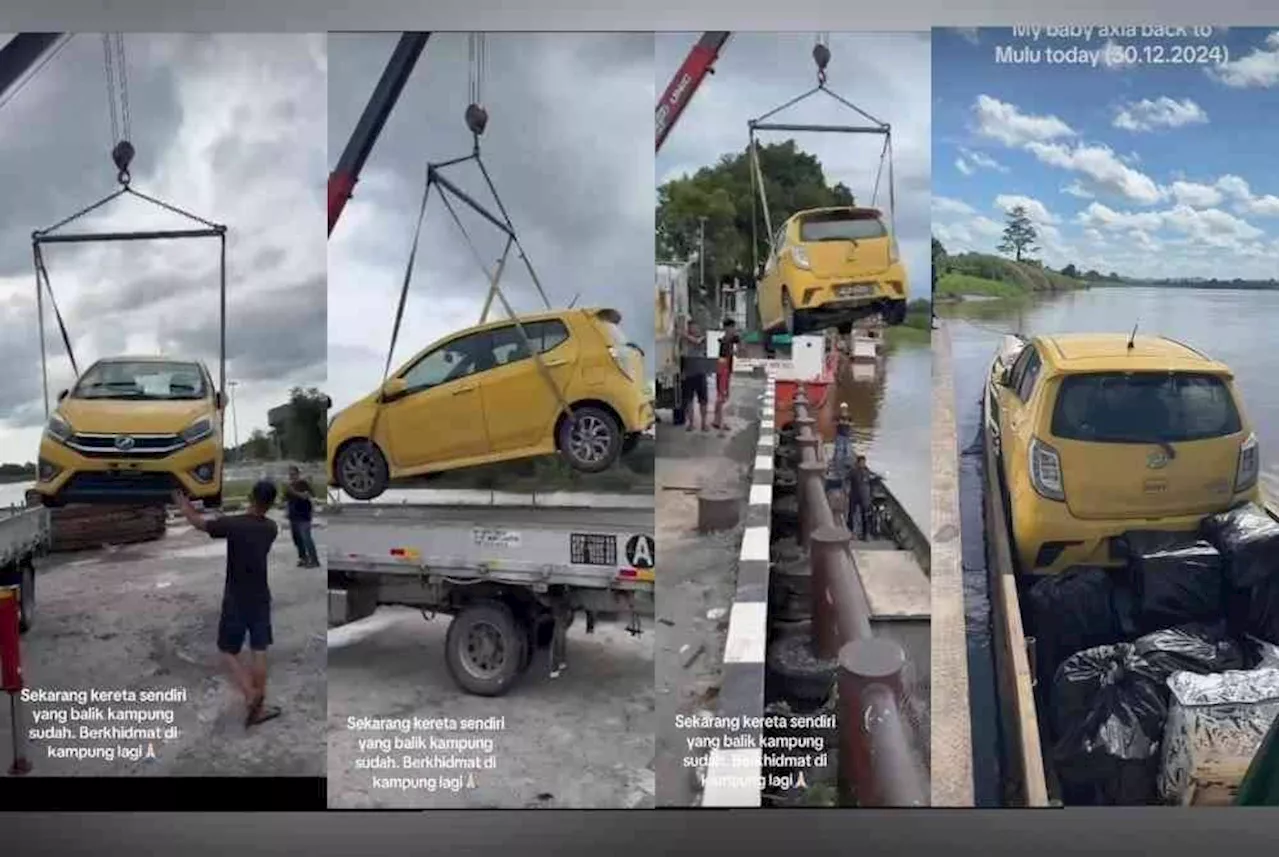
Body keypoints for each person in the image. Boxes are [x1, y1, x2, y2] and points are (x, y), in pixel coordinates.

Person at [173, 482, 282, 728]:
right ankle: (260, 708)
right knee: (260, 648)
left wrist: (184, 506)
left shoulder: (235, 524)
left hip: (236, 596)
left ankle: (251, 694)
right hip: (260, 595)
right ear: (271, 503)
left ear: (250, 497)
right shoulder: (271, 528)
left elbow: (200, 524)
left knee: (227, 649)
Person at [282, 465, 320, 568]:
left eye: (293, 474)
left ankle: (314, 560)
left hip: (304, 515)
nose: (291, 476)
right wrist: (286, 510)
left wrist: (293, 491)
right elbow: (286, 500)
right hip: (293, 516)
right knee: (297, 539)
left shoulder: (303, 484)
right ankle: (303, 558)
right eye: (290, 474)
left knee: (306, 538)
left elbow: (307, 496)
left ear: (298, 474)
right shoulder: (289, 486)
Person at [680, 318, 709, 432]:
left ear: (698, 328)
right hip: (688, 373)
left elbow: (697, 343)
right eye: (691, 327)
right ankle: (691, 423)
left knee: (703, 400)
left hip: (700, 373)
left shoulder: (702, 338)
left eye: (695, 327)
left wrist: (683, 335)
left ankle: (703, 423)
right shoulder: (684, 340)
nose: (693, 329)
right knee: (689, 400)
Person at [713, 317, 741, 432]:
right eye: (732, 327)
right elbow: (724, 358)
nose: (734, 329)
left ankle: (717, 420)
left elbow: (740, 347)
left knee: (723, 396)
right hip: (723, 370)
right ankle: (720, 422)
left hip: (725, 369)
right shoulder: (725, 341)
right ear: (727, 328)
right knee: (722, 397)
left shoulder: (730, 339)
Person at [848, 455, 875, 540]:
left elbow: (871, 483)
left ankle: (865, 534)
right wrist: (846, 491)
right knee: (851, 514)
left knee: (865, 515)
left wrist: (871, 495)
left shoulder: (867, 471)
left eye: (864, 462)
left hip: (864, 497)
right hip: (854, 495)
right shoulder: (853, 471)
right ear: (858, 462)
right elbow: (846, 480)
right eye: (861, 462)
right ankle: (851, 532)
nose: (863, 464)